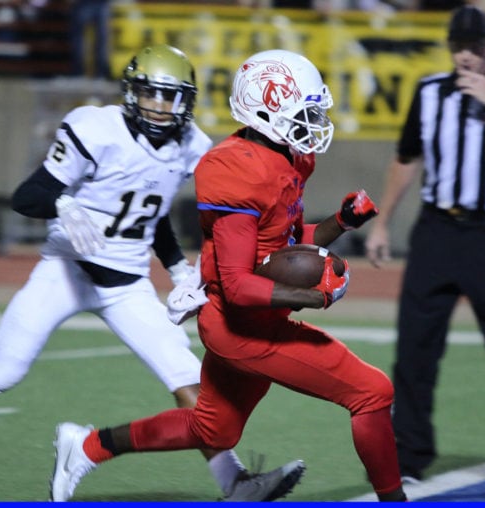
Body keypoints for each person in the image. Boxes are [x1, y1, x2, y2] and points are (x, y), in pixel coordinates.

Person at [0, 45, 303, 502]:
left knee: (191, 384)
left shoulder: (193, 145)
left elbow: (151, 216)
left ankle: (232, 482)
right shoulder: (96, 128)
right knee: (2, 371)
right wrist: (62, 202)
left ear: (187, 102)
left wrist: (178, 270)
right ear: (131, 93)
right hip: (66, 269)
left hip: (128, 285)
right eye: (150, 94)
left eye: (170, 97)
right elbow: (26, 196)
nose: (159, 106)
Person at [48, 49, 408, 503]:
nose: (314, 120)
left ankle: (85, 447)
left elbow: (287, 244)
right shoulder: (237, 169)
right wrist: (316, 296)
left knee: (212, 427)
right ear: (267, 108)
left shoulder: (287, 158)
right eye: (305, 111)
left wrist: (343, 222)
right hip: (242, 327)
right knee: (372, 392)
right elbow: (238, 284)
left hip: (250, 319)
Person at [365, 5, 485, 492]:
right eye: (459, 47)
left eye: (474, 47)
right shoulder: (431, 91)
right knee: (415, 350)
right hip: (437, 231)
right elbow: (406, 158)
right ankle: (410, 454)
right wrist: (382, 223)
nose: (466, 57)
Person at [69, 0, 112, 79]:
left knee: (102, 39)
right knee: (79, 41)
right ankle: (78, 72)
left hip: (101, 4)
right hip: (82, 4)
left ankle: (100, 73)